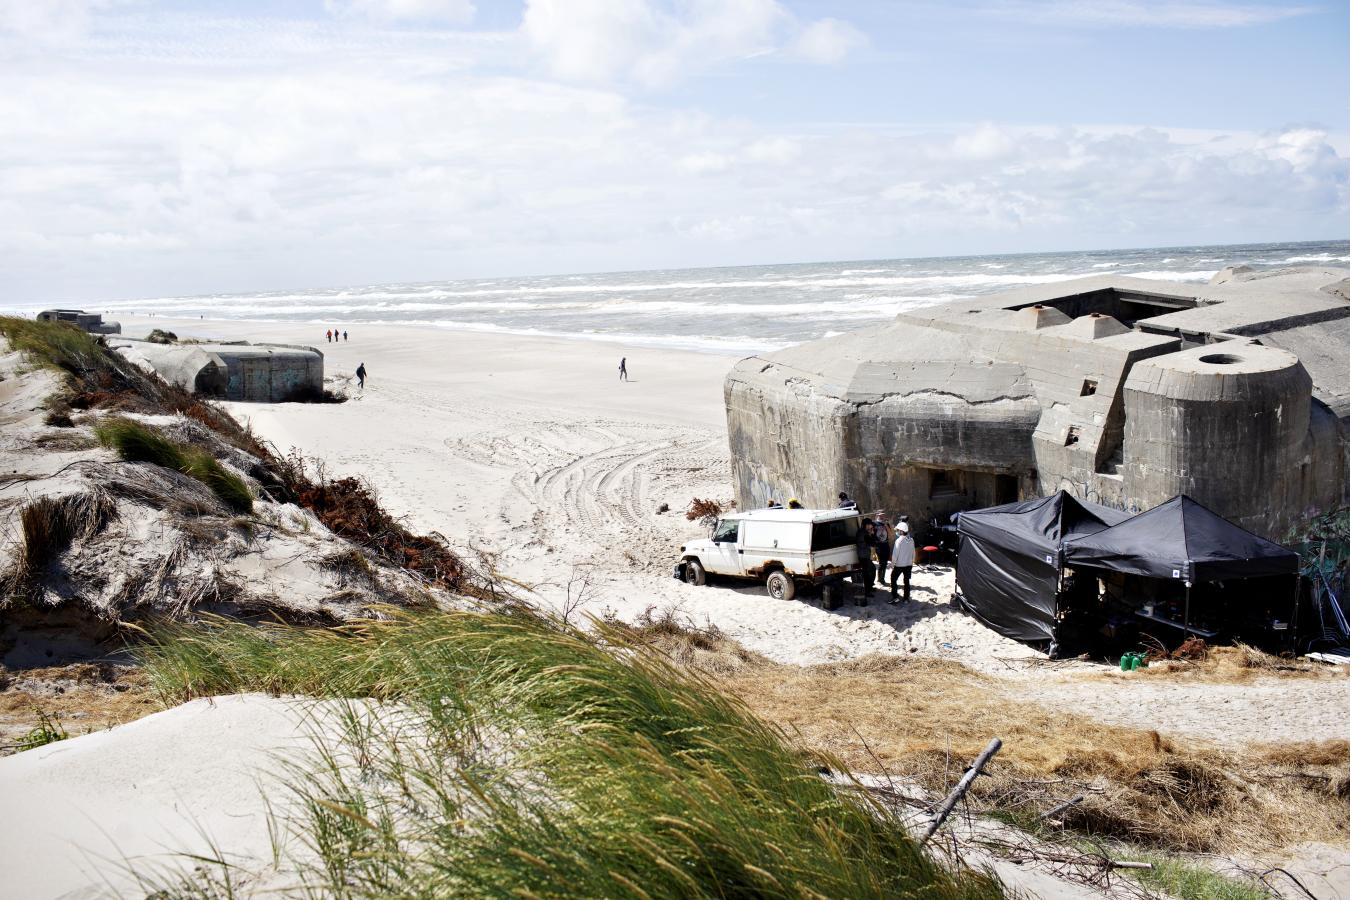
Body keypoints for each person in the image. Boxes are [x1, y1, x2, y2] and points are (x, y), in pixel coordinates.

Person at [889, 521, 915, 604]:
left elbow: (895, 555)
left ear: (901, 531)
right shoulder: (911, 540)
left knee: (893, 579)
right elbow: (913, 553)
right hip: (908, 565)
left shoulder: (899, 541)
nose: (897, 532)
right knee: (906, 581)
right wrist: (912, 563)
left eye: (898, 530)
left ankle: (895, 597)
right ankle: (906, 598)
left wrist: (892, 564)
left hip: (899, 565)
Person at [855, 519, 875, 603]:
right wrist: (871, 534)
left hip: (864, 555)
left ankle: (869, 587)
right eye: (870, 525)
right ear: (866, 525)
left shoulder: (863, 532)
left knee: (871, 570)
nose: (871, 526)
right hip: (863, 556)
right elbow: (871, 543)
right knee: (867, 573)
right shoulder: (863, 533)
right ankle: (867, 591)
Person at [872, 513, 892, 587]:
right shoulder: (874, 524)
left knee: (885, 563)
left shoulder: (886, 524)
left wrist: (886, 525)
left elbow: (890, 534)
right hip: (879, 546)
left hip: (886, 545)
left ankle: (882, 578)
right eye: (880, 515)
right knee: (881, 563)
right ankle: (880, 579)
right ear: (877, 516)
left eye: (883, 515)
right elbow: (871, 534)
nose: (882, 516)